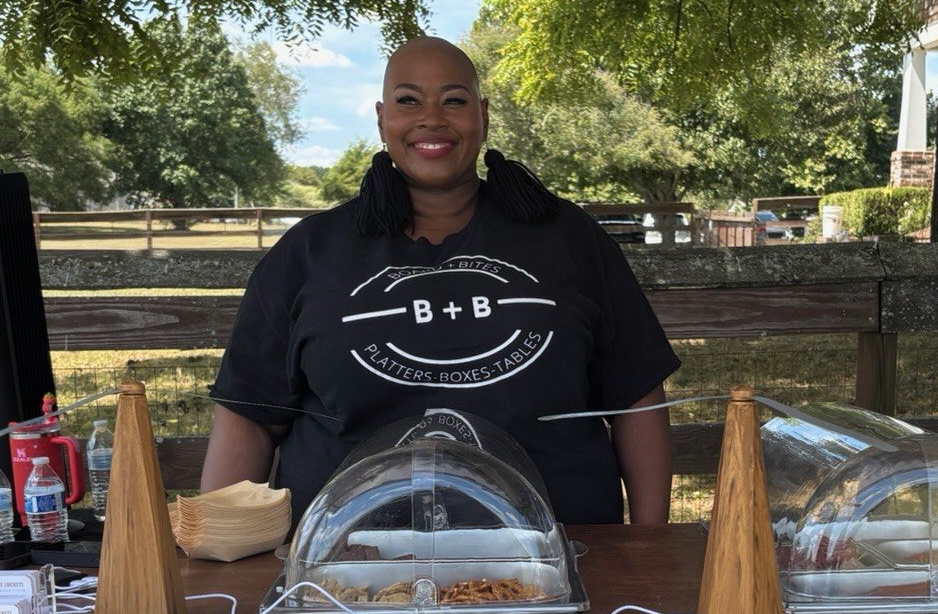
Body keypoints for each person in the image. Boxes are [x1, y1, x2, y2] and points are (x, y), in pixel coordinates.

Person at [200, 37, 679, 524]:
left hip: (563, 555)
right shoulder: (309, 252)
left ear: (483, 115)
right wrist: (219, 546)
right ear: (382, 117)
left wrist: (650, 546)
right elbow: (250, 414)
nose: (432, 118)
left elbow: (635, 398)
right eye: (409, 101)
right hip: (346, 569)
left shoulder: (569, 239)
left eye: (454, 100)